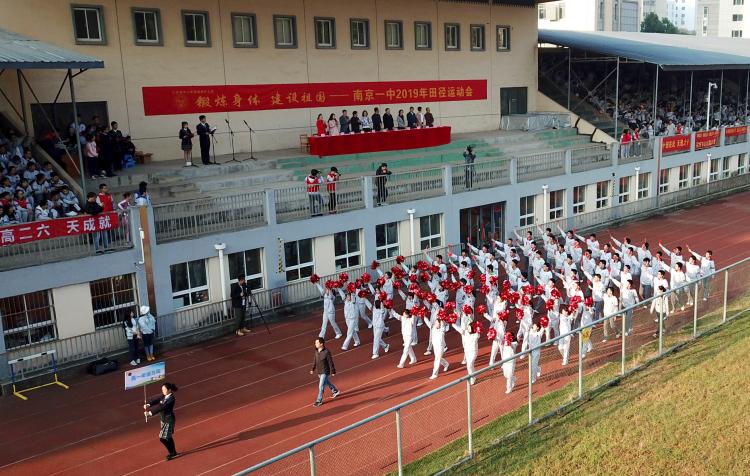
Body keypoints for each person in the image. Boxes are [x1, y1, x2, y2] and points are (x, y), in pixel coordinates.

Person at [143, 382, 179, 460]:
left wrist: (149, 413)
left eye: (164, 389)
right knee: (168, 437)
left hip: (168, 420)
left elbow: (161, 407)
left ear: (169, 390)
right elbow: (158, 400)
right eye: (162, 389)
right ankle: (174, 452)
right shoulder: (164, 395)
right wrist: (149, 404)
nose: (162, 391)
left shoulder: (171, 399)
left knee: (162, 438)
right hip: (163, 419)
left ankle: (172, 453)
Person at [310, 337, 340, 407]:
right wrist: (312, 368)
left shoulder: (326, 352)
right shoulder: (316, 351)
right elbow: (315, 360)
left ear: (321, 344)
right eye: (315, 343)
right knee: (327, 382)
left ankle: (319, 401)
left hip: (325, 371)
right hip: (319, 371)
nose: (315, 344)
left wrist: (333, 371)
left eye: (317, 343)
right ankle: (335, 391)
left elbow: (330, 362)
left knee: (321, 386)